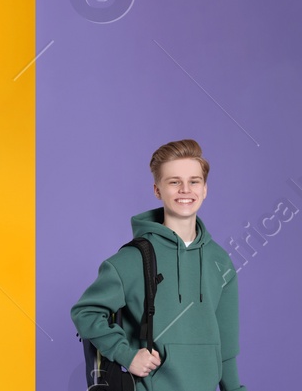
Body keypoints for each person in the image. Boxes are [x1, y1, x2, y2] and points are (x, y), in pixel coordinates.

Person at [71, 139, 245, 390]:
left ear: (205, 189)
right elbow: (84, 313)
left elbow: (226, 347)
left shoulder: (220, 261)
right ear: (157, 190)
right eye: (174, 182)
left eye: (194, 181)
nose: (186, 189)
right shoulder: (131, 260)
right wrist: (126, 355)